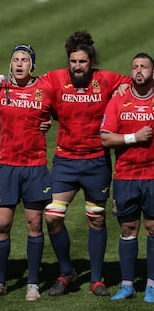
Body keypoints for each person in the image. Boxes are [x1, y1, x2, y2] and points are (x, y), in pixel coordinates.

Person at [42, 30, 131, 296]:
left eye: (82, 62)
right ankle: (67, 270)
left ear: (91, 61)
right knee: (52, 216)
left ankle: (96, 279)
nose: (77, 67)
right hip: (66, 160)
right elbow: (27, 83)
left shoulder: (107, 80)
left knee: (96, 219)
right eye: (73, 61)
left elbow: (140, 81)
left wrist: (126, 86)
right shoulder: (55, 78)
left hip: (95, 161)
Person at [0, 44, 54, 301]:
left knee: (34, 224)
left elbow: (60, 114)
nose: (19, 64)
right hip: (7, 167)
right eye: (15, 60)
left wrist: (50, 121)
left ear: (32, 65)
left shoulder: (45, 90)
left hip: (35, 166)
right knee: (1, 224)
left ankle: (32, 283)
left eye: (24, 60)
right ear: (10, 64)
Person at [100, 52, 154, 303]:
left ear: (152, 72)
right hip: (125, 176)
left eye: (144, 67)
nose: (139, 71)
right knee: (127, 228)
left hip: (152, 176)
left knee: (152, 228)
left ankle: (152, 285)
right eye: (134, 67)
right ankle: (127, 284)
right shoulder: (119, 99)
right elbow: (106, 137)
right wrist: (134, 138)